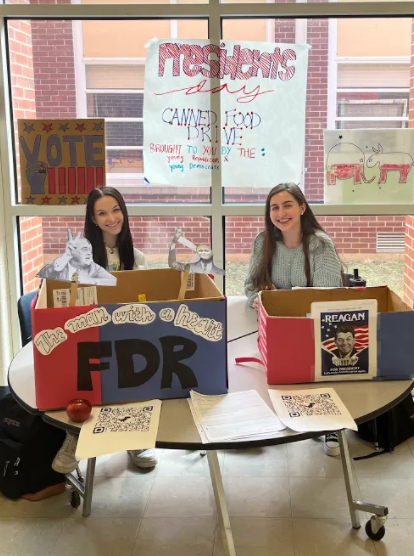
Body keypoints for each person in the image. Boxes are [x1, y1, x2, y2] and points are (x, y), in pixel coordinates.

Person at [52, 186, 158, 474]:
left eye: (116, 210)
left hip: (125, 333)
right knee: (84, 371)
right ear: (93, 218)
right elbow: (68, 300)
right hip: (88, 332)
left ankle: (135, 438)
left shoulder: (137, 257)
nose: (111, 218)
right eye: (102, 213)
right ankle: (74, 438)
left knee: (137, 359)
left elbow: (145, 301)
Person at [245, 182, 344, 457]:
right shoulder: (262, 242)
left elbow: (323, 297)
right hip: (275, 328)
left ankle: (330, 426)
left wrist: (278, 298)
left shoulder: (320, 245)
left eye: (288, 205)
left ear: (302, 208)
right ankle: (278, 419)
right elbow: (250, 287)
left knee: (315, 370)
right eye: (274, 207)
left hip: (312, 328)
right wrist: (259, 300)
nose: (281, 213)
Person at [37, 230, 116, 285]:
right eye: (84, 249)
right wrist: (67, 255)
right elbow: (44, 275)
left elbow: (113, 281)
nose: (89, 253)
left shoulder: (93, 268)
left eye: (90, 250)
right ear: (72, 251)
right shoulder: (62, 267)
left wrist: (89, 281)